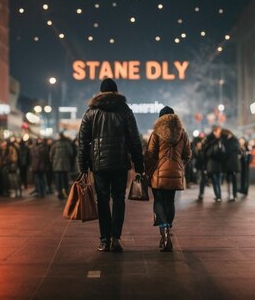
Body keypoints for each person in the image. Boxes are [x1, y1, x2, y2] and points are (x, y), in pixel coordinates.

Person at [77, 78, 144, 252]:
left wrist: (83, 166)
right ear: (116, 92)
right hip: (120, 163)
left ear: (100, 92)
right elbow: (134, 140)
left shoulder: (91, 112)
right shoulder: (125, 110)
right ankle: (116, 238)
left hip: (99, 164)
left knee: (103, 201)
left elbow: (83, 142)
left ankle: (104, 240)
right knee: (119, 199)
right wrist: (139, 165)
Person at [144, 106, 191, 251]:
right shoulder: (182, 133)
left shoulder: (156, 133)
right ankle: (168, 229)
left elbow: (151, 154)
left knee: (159, 201)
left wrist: (148, 171)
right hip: (175, 174)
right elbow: (187, 154)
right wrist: (179, 166)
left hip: (158, 173)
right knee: (170, 201)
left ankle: (164, 233)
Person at [203, 126, 227, 202]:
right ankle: (218, 195)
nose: (219, 133)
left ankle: (218, 196)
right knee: (215, 181)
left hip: (218, 164)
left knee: (217, 181)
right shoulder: (210, 140)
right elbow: (207, 152)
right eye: (218, 132)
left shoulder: (221, 140)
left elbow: (223, 153)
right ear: (215, 132)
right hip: (212, 164)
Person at [50, 132, 75, 200]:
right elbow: (71, 153)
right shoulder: (67, 144)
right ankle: (65, 193)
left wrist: (53, 161)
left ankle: (59, 193)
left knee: (58, 181)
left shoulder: (54, 145)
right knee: (65, 180)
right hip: (65, 165)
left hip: (56, 165)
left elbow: (51, 155)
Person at [224, 132, 241, 201]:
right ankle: (232, 194)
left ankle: (232, 194)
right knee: (231, 180)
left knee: (231, 180)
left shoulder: (231, 142)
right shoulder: (234, 142)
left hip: (232, 164)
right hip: (231, 165)